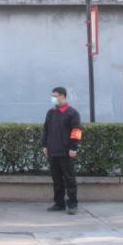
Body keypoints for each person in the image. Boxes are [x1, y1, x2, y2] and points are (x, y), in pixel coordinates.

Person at [41, 86, 82, 215]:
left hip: (66, 152)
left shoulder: (72, 113)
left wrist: (73, 147)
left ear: (63, 96)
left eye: (55, 96)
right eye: (52, 96)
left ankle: (72, 204)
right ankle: (59, 204)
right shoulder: (51, 113)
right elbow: (46, 130)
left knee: (70, 179)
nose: (53, 98)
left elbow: (76, 131)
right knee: (57, 180)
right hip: (53, 151)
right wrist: (45, 145)